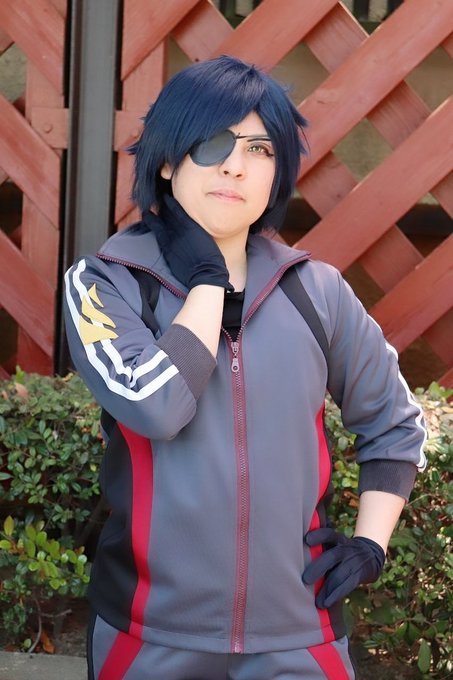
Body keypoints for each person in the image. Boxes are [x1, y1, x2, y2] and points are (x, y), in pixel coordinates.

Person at [64, 55, 426, 680]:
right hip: (149, 634)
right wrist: (208, 279)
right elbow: (156, 406)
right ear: (168, 161)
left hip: (300, 636)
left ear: (276, 174)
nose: (235, 165)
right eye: (214, 142)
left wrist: (370, 543)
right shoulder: (105, 284)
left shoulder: (316, 290)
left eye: (259, 149)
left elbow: (393, 424)